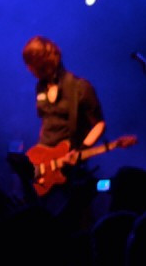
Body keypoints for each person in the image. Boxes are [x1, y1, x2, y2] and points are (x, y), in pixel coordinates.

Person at [17, 35, 105, 202]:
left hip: (69, 161)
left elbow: (99, 124)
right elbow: (45, 122)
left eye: (30, 62)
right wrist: (40, 154)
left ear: (42, 61)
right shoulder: (40, 87)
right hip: (44, 161)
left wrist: (81, 149)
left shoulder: (79, 87)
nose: (28, 69)